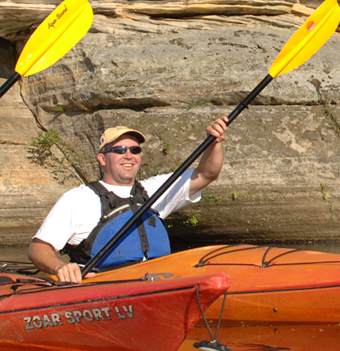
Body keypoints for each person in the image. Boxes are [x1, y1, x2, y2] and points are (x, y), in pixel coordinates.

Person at [29, 117, 228, 283]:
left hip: (159, 282)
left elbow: (207, 173)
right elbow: (38, 248)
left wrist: (214, 142)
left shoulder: (153, 190)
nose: (128, 155)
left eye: (135, 150)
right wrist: (60, 267)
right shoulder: (79, 199)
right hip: (104, 288)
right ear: (102, 159)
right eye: (119, 150)